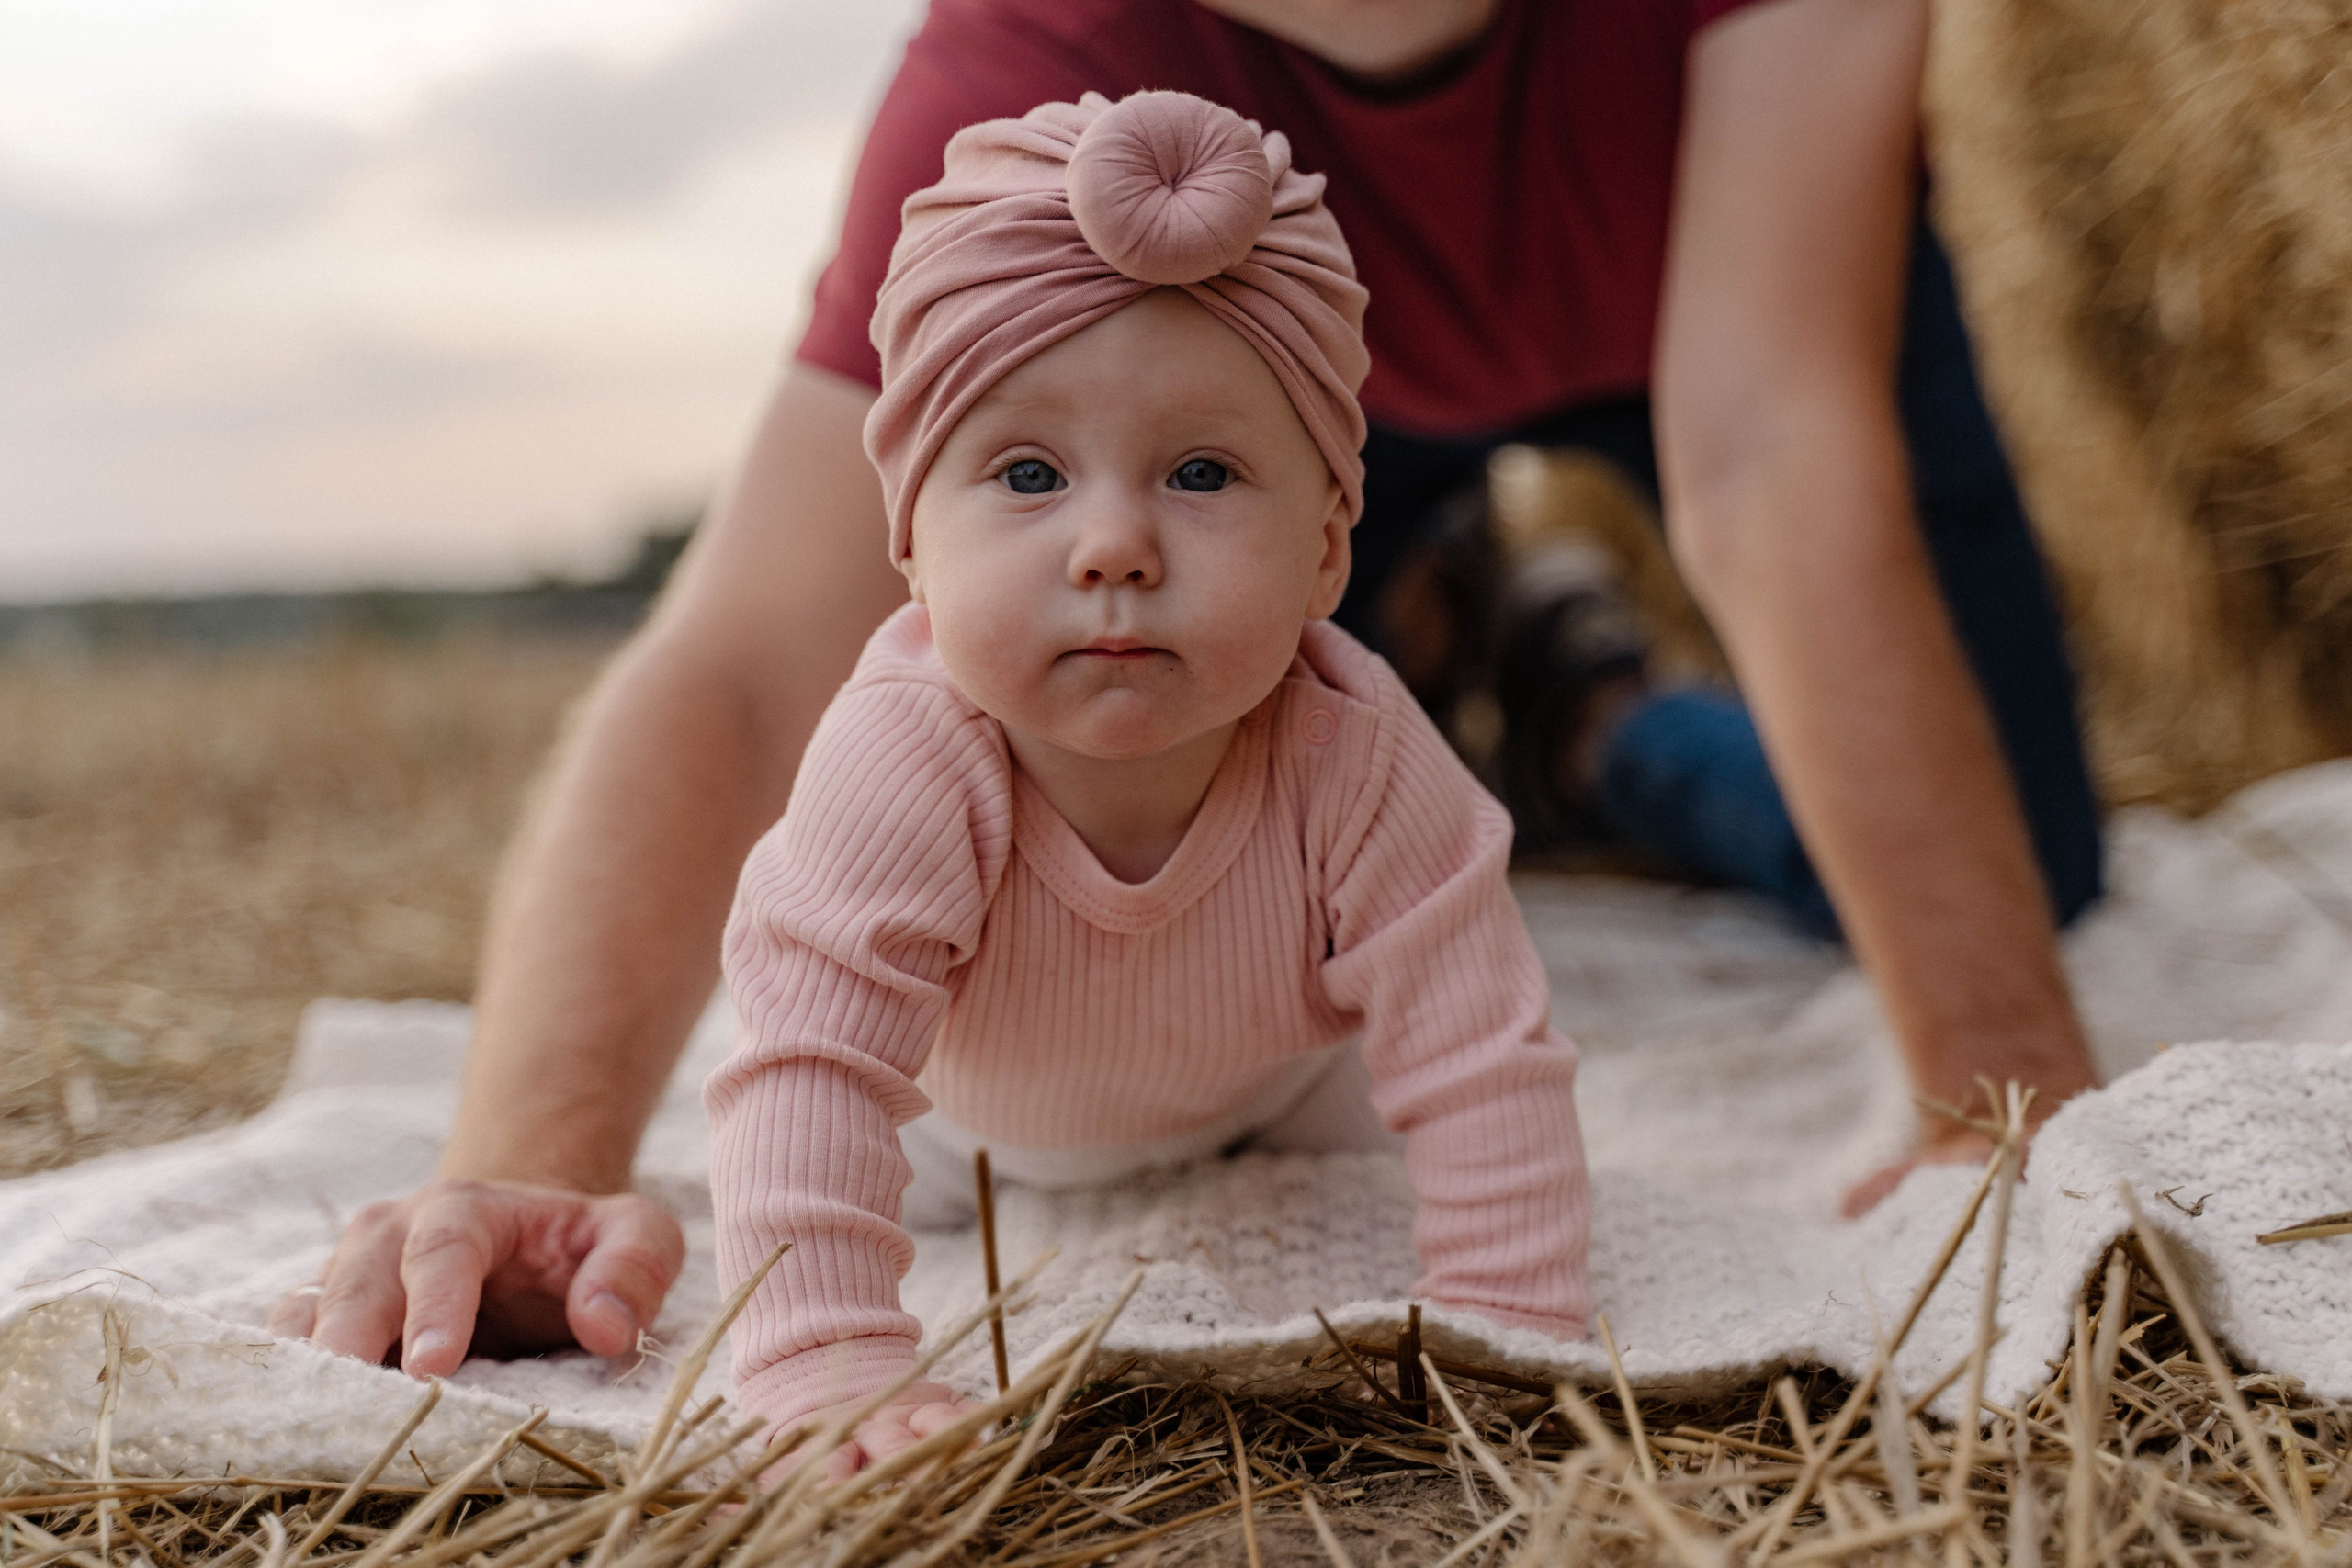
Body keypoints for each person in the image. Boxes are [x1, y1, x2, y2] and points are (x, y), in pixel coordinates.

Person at [271, 0, 2104, 1381]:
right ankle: (1452, 620)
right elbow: (756, 659)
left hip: (1722, 307)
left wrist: (1991, 1084)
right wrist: (529, 1160)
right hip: (1253, 420)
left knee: (2021, 861)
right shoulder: (1033, 65)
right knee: (1176, 697)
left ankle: (1588, 715)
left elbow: (1774, 451)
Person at [710, 91, 1589, 1473]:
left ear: (1324, 554)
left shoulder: (1354, 747)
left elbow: (1479, 1056)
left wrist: (1510, 1335)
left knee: (1416, 1125)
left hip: (1280, 1097)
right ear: (915, 553)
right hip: (963, 1147)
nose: (1114, 543)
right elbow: (814, 1070)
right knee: (788, 1125)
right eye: (1026, 472)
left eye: (1200, 471)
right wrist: (828, 1365)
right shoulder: (908, 755)